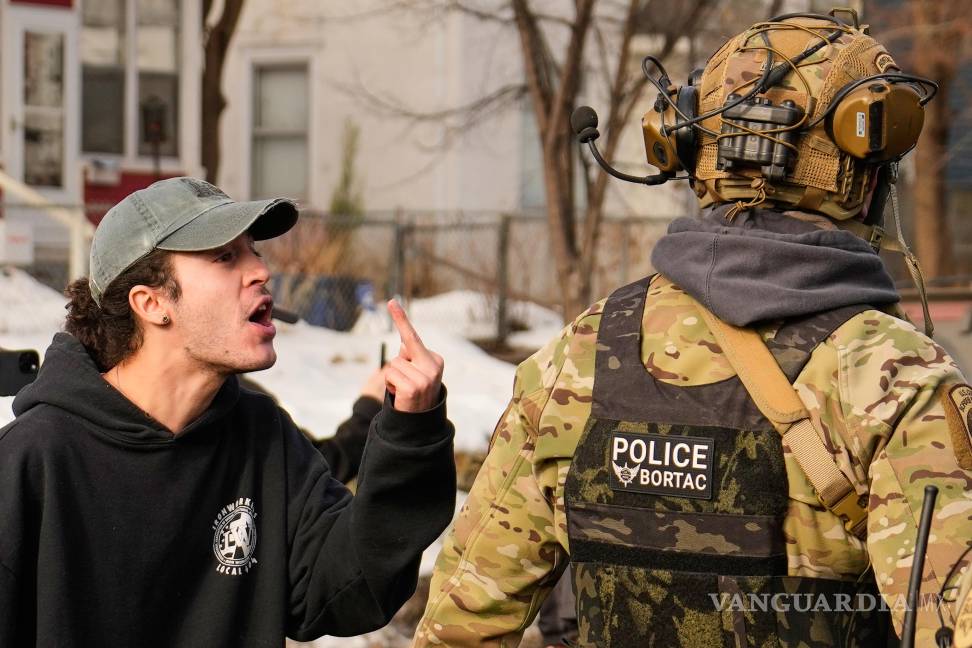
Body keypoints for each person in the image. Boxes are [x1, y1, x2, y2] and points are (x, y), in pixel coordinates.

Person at [412, 11, 972, 647]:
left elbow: (460, 625)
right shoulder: (892, 375)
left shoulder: (580, 354)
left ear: (685, 144)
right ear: (866, 173)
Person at [0, 177, 457, 647]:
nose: (260, 271)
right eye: (224, 257)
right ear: (151, 303)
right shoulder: (32, 461)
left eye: (252, 251)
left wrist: (410, 431)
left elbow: (348, 587)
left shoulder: (262, 436)